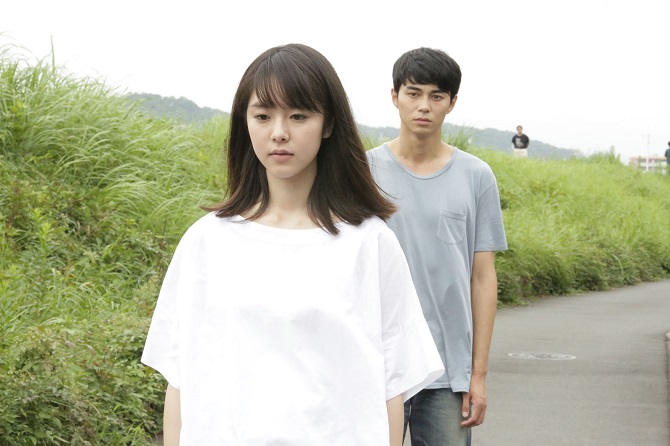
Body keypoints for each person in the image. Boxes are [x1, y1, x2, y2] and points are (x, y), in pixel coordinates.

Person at [141, 43, 444, 446]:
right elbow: (181, 380)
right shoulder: (206, 240)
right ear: (245, 122)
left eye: (298, 116)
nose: (279, 132)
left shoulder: (370, 243)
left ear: (328, 124)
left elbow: (393, 384)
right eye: (263, 116)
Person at [367, 47, 508, 446]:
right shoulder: (363, 171)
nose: (424, 106)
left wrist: (478, 375)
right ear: (394, 96)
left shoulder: (476, 176)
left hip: (447, 373)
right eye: (413, 93)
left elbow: (483, 278)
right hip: (378, 365)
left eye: (436, 96)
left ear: (452, 102)